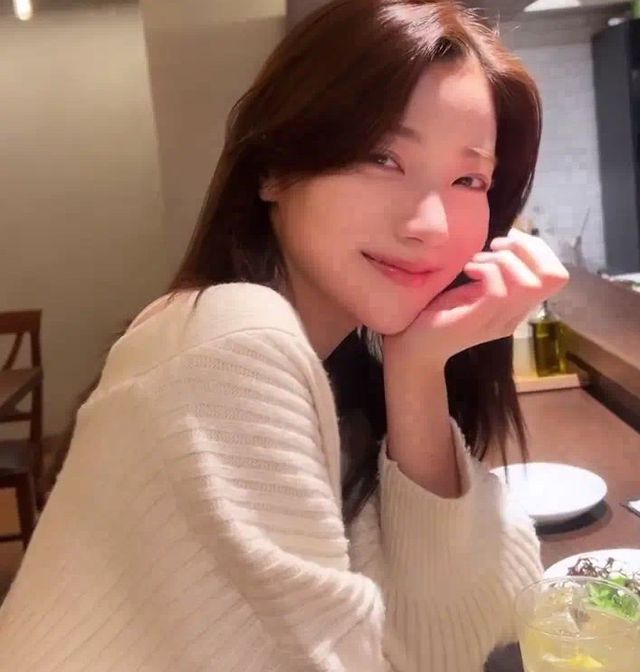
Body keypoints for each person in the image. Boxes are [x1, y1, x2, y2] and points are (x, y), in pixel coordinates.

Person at [0, 1, 570, 670]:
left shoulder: (333, 369)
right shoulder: (234, 342)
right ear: (272, 168)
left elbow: (440, 641)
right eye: (383, 157)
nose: (431, 224)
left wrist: (416, 364)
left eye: (469, 179)